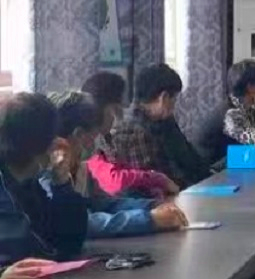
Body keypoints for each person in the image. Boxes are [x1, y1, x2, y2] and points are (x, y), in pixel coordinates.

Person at [48, 91, 188, 238]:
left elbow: (101, 204)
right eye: (92, 138)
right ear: (79, 135)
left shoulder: (79, 169)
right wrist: (149, 219)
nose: (92, 147)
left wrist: (152, 205)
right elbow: (81, 223)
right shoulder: (49, 171)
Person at [91, 64, 210, 198]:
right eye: (174, 99)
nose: (174, 106)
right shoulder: (135, 131)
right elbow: (154, 183)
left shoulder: (164, 120)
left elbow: (189, 158)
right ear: (164, 97)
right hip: (160, 200)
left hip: (185, 189)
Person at [0, 93, 88, 266]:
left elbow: (70, 242)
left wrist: (62, 182)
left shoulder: (28, 183)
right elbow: (32, 253)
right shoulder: (6, 188)